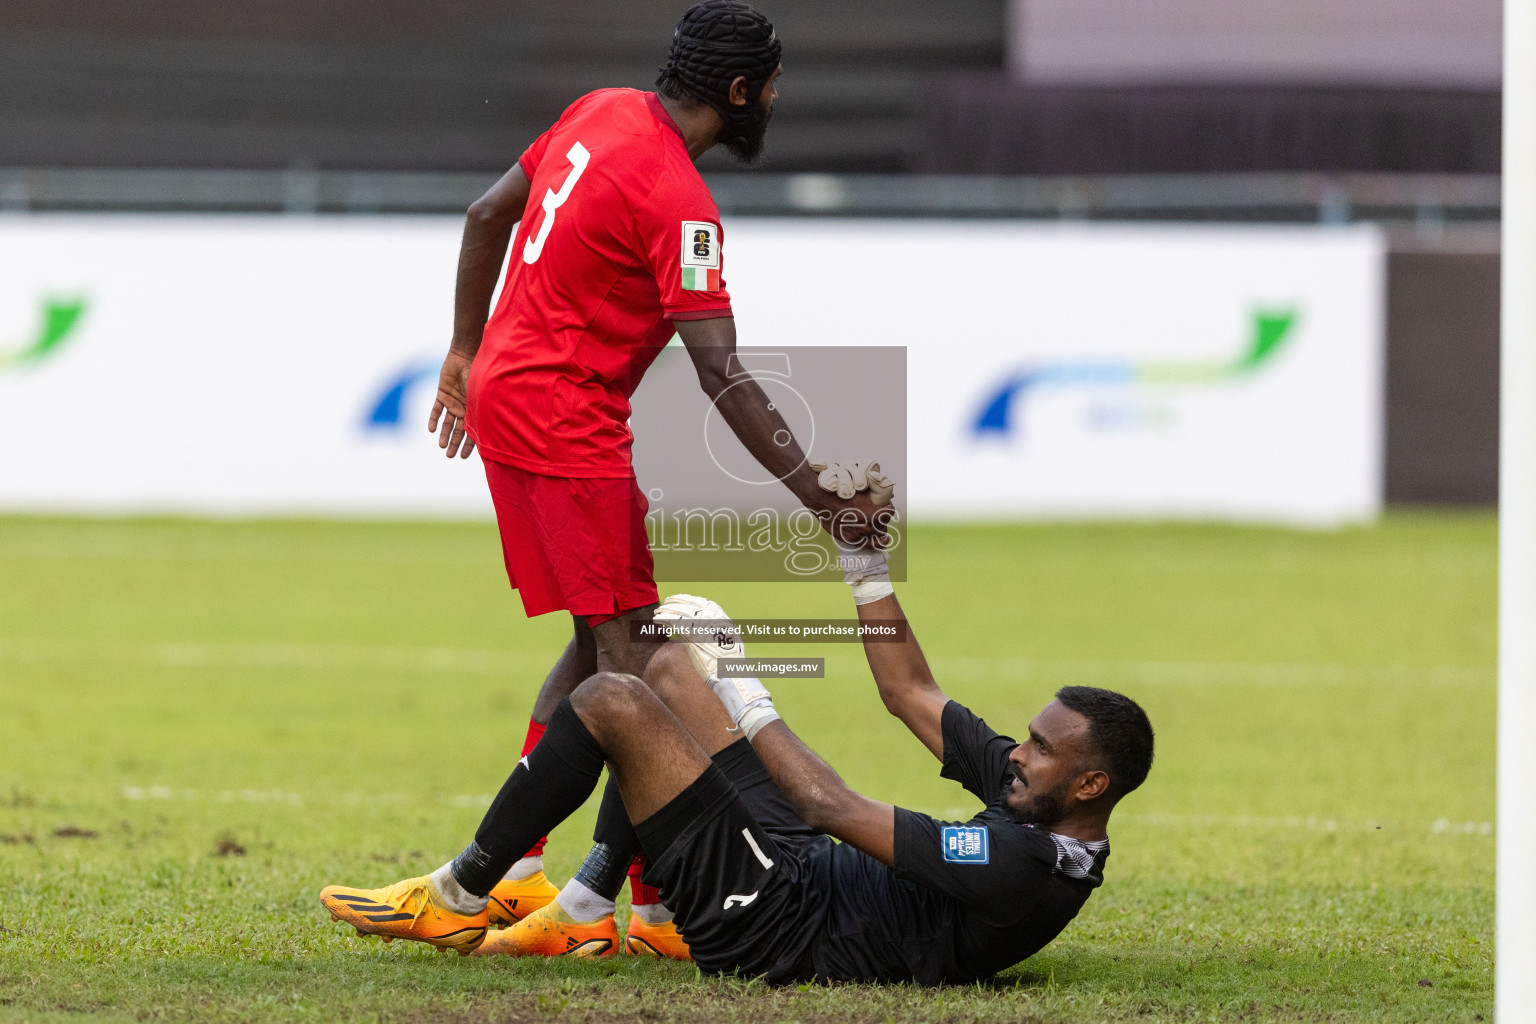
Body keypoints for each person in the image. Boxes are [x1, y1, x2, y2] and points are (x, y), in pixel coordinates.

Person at [414, 0, 887, 957]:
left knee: (607, 642)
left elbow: (483, 214)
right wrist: (825, 501)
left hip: (515, 389)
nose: (776, 103)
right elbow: (723, 372)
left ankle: (530, 879)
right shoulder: (681, 201)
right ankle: (631, 904)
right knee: (637, 668)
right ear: (742, 91)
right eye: (773, 89)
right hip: (563, 415)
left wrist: (464, 350)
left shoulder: (599, 108)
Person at [319, 554, 1156, 983]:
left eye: (1042, 748)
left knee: (615, 701)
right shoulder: (1034, 794)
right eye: (1030, 737)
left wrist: (743, 679)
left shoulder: (1023, 866)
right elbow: (910, 691)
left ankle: (459, 895)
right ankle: (583, 906)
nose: (1018, 751)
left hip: (774, 926)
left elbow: (828, 803)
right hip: (800, 869)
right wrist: (864, 560)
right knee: (666, 663)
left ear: (1091, 786)